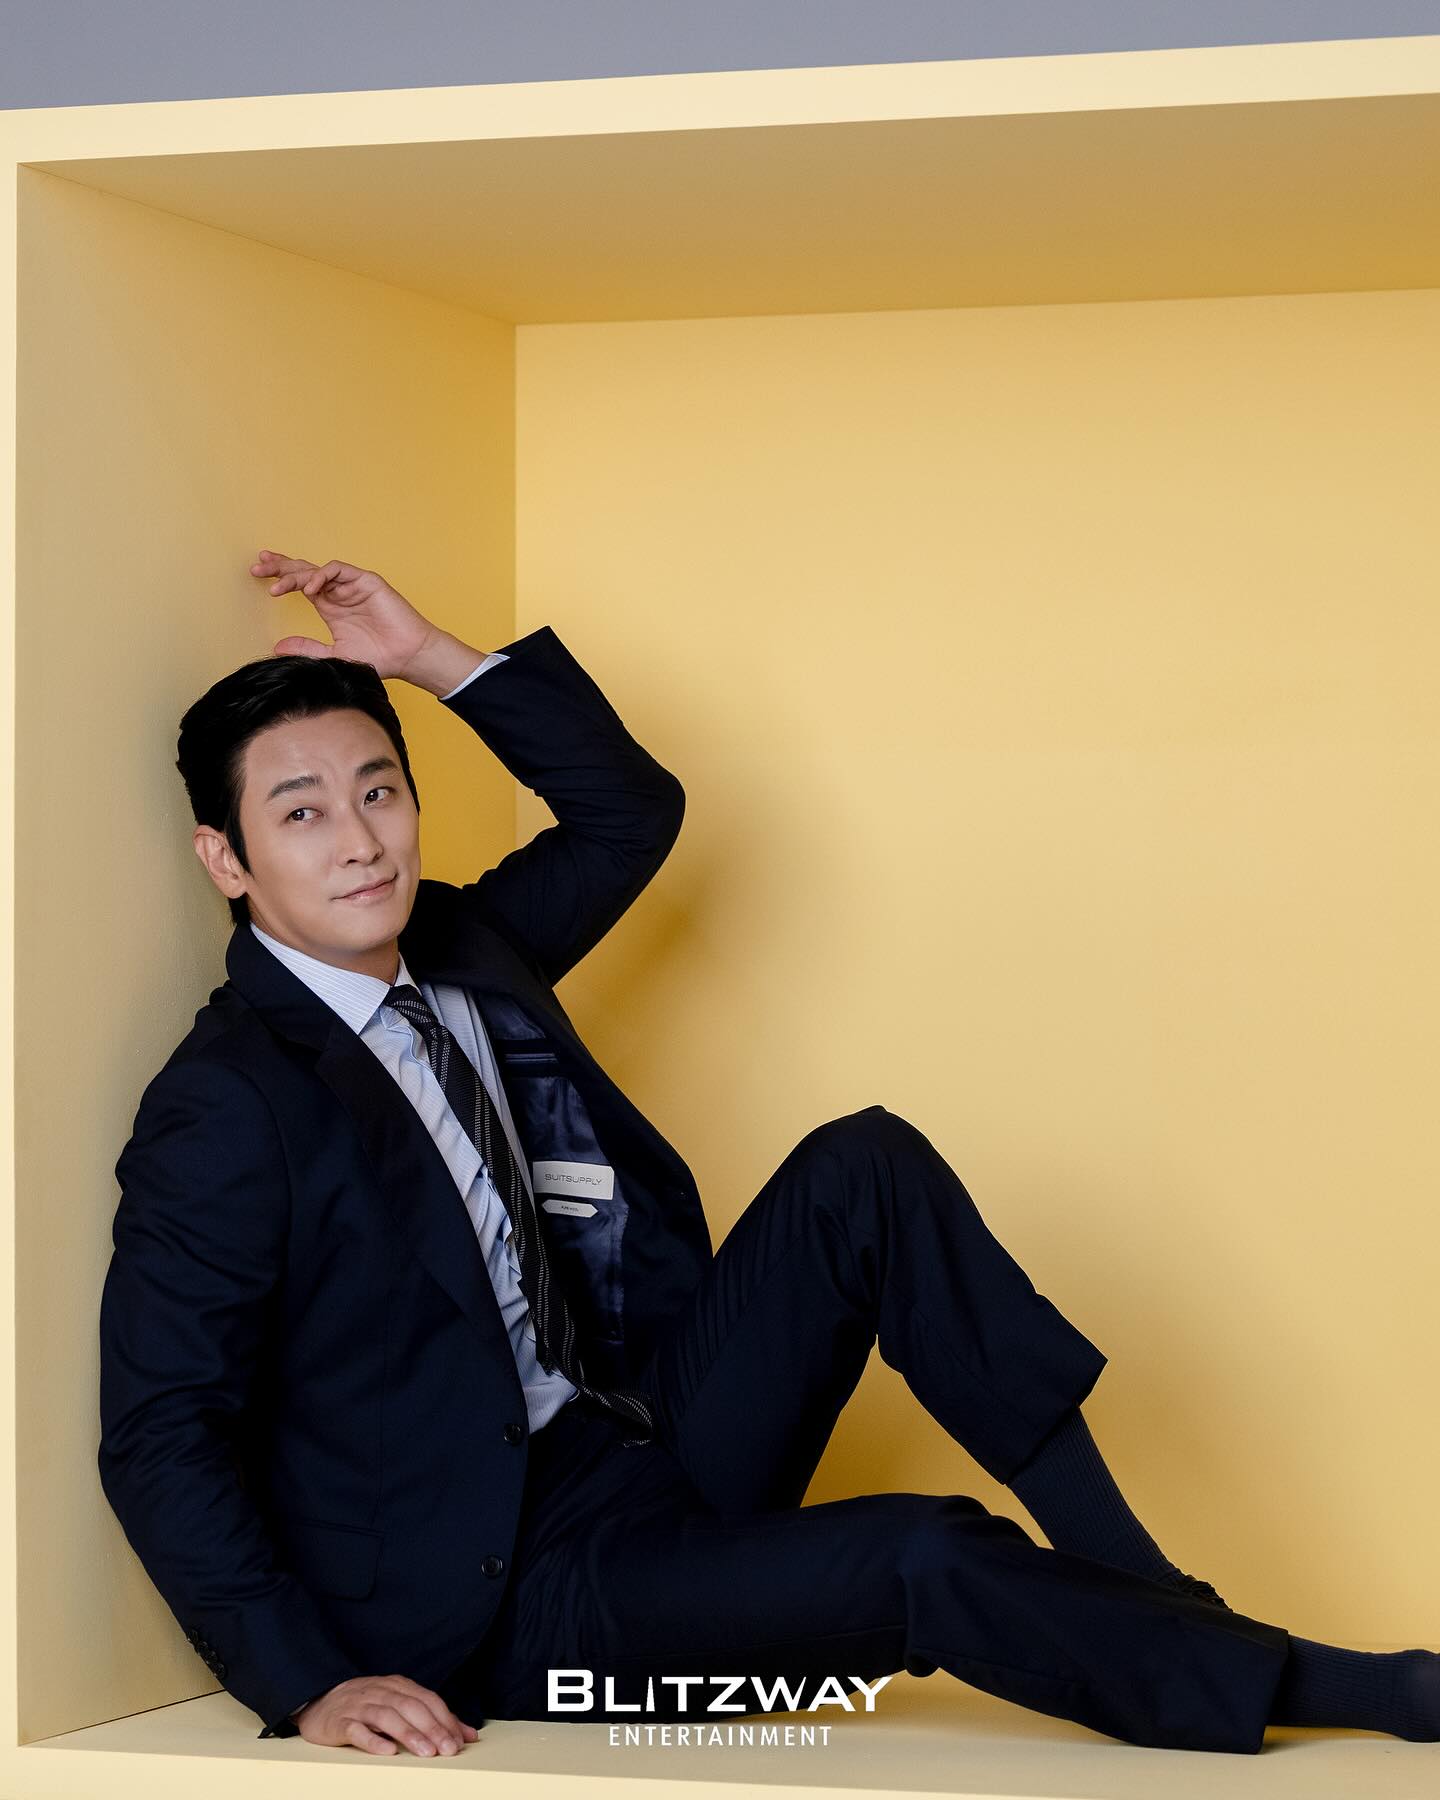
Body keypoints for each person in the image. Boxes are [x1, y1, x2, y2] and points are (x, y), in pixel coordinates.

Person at [98, 550, 1440, 1760]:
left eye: (378, 792)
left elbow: (629, 813)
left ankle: (1148, 1589)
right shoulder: (228, 1104)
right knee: (917, 1550)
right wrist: (311, 1684)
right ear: (226, 859)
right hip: (509, 1602)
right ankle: (1305, 1680)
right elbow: (161, 1430)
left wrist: (433, 659)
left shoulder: (458, 949)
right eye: (302, 814)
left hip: (639, 1442)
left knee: (865, 1169)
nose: (360, 841)